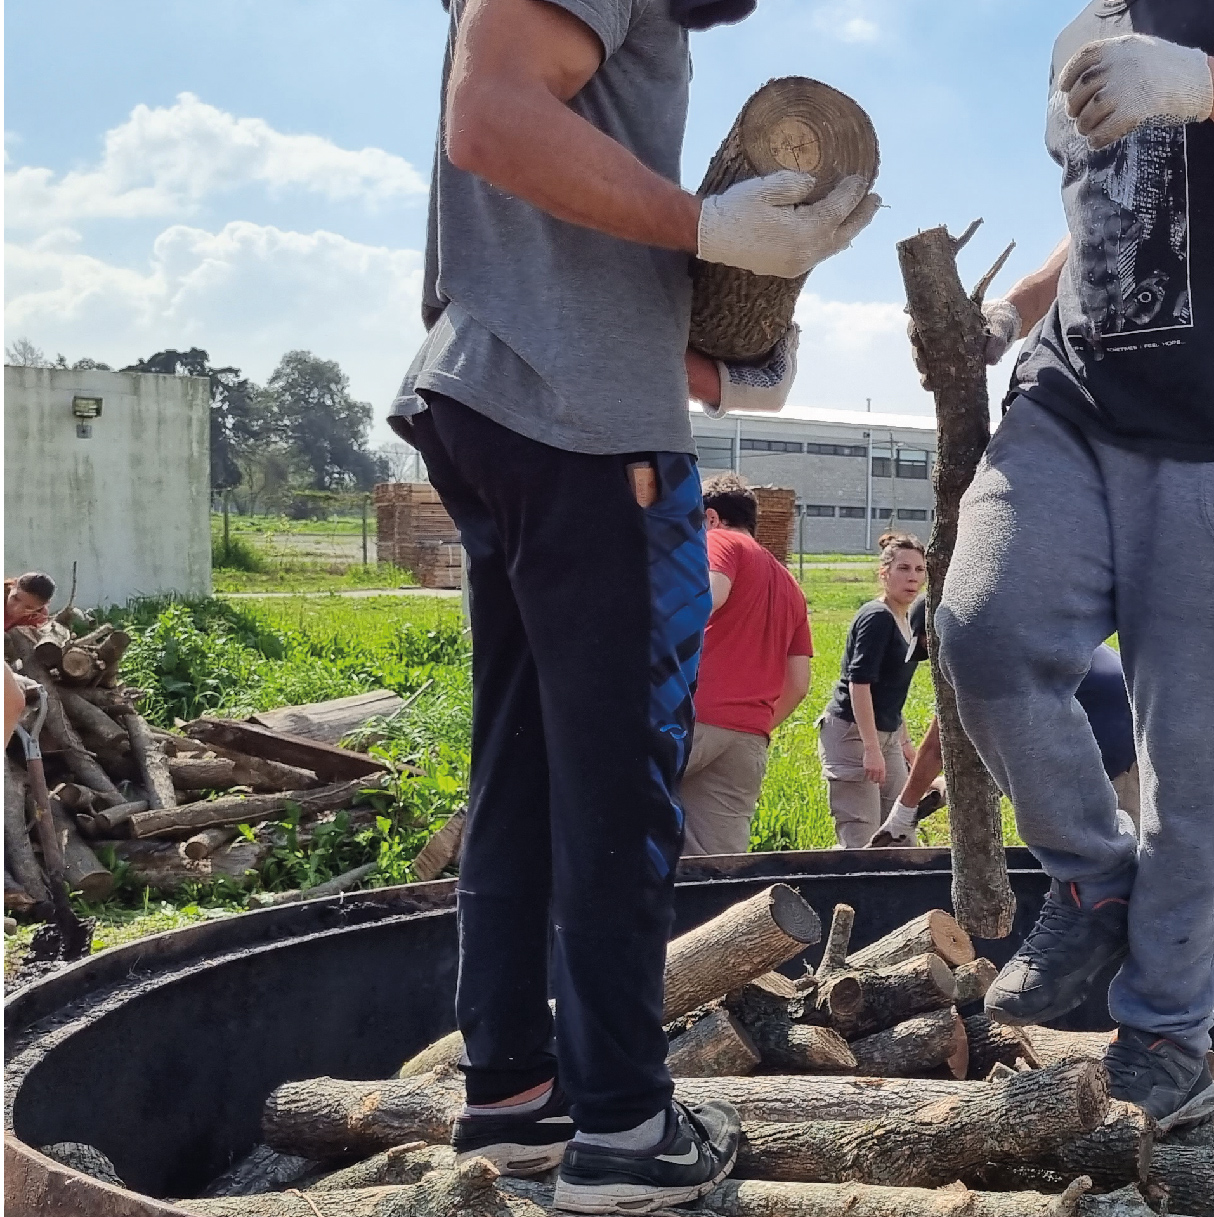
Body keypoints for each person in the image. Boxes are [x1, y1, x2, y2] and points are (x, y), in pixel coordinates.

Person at [388, 0, 880, 1208]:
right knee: (615, 783)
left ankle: (510, 1093)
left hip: (497, 393)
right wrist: (702, 223)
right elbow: (492, 118)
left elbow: (557, 245)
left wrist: (726, 333)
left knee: (520, 775)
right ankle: (623, 1126)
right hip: (582, 432)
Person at [932, 0, 1214, 1131]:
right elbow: (1116, 208)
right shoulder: (1081, 32)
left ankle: (1164, 1035)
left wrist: (1201, 81)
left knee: (1193, 768)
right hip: (1073, 395)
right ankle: (1093, 876)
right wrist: (1010, 310)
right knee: (981, 628)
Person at [872, 643, 1138, 847]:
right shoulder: (1012, 636)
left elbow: (936, 747)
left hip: (1117, 746)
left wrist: (902, 813)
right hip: (1113, 730)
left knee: (1114, 856)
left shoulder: (980, 654)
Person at [680, 472, 814, 856]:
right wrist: (752, 723)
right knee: (718, 866)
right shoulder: (790, 585)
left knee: (602, 807)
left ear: (709, 518)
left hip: (693, 720)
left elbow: (710, 594)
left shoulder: (719, 540)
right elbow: (799, 683)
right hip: (748, 737)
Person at [816, 534, 927, 849]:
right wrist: (870, 749)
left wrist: (904, 742)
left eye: (919, 570)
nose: (913, 577)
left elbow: (892, 690)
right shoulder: (876, 617)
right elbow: (859, 683)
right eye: (903, 568)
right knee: (861, 835)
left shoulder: (907, 617)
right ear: (884, 573)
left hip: (887, 733)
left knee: (900, 827)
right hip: (853, 732)